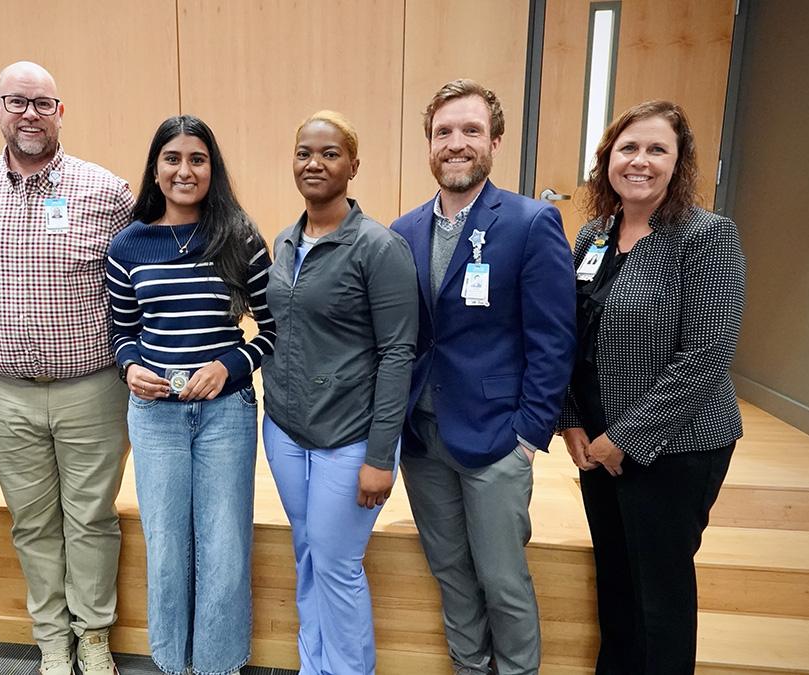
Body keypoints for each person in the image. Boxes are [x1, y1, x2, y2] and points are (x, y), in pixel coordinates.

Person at [0, 61, 133, 675]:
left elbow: (136, 289)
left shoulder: (107, 191)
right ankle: (52, 639)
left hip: (92, 390)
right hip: (5, 393)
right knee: (32, 522)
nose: (29, 113)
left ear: (60, 111)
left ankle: (93, 634)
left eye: (42, 103)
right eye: (16, 101)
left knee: (92, 519)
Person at [390, 79, 575, 675]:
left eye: (470, 130)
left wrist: (528, 435)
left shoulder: (530, 221)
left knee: (501, 578)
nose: (456, 143)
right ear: (429, 146)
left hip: (497, 435)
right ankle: (470, 667)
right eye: (443, 132)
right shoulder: (404, 229)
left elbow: (552, 339)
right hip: (423, 436)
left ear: (494, 141)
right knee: (450, 572)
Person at [559, 100, 746, 675]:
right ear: (608, 160)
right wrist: (571, 419)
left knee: (659, 596)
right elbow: (567, 330)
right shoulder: (594, 235)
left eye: (656, 149)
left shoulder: (706, 236)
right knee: (615, 581)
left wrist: (628, 437)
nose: (640, 161)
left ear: (679, 161)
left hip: (677, 446)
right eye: (628, 148)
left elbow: (707, 354)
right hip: (595, 443)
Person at [105, 114, 273, 675]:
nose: (185, 170)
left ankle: (218, 664)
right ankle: (173, 664)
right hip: (155, 418)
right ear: (155, 169)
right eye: (172, 159)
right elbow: (122, 333)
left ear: (212, 168)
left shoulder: (239, 236)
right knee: (167, 545)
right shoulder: (128, 245)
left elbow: (272, 333)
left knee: (225, 548)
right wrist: (129, 368)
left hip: (227, 414)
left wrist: (229, 366)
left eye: (197, 159)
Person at [263, 110, 418, 675]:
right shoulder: (283, 241)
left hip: (349, 437)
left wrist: (380, 455)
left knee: (336, 562)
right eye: (305, 152)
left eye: (330, 153)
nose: (315, 163)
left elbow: (399, 352)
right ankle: (314, 665)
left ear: (353, 165)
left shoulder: (379, 248)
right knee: (308, 554)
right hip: (285, 429)